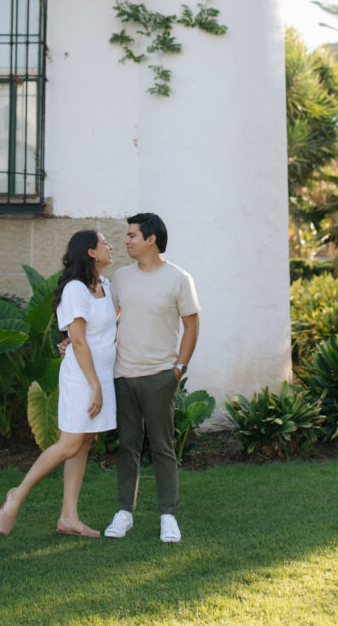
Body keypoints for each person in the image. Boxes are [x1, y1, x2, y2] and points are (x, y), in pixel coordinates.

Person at [0, 229, 116, 538]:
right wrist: (95, 385)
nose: (110, 246)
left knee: (85, 442)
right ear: (90, 252)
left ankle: (69, 518)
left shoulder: (105, 285)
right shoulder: (75, 288)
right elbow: (77, 340)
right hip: (83, 377)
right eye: (104, 243)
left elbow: (105, 323)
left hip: (100, 372)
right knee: (70, 443)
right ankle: (17, 495)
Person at [104, 212, 200, 544]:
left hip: (160, 376)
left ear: (151, 239)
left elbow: (192, 324)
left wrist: (178, 370)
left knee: (163, 447)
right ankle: (124, 514)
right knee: (127, 446)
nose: (126, 241)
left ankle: (168, 517)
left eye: (132, 235)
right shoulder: (120, 278)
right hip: (123, 376)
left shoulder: (178, 279)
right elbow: (107, 320)